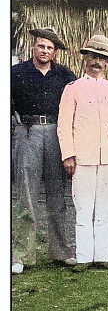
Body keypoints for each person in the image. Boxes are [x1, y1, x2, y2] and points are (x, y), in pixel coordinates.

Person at [57, 34, 108, 272]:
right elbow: (63, 125)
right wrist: (68, 155)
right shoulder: (73, 88)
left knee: (106, 208)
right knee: (84, 208)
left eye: (101, 58)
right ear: (85, 59)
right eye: (92, 57)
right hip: (83, 157)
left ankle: (102, 256)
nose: (96, 62)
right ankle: (84, 256)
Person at [11, 27, 77, 274]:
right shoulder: (16, 73)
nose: (45, 51)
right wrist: (14, 129)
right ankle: (22, 255)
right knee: (25, 196)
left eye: (50, 48)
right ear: (33, 47)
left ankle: (60, 252)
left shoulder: (64, 75)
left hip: (56, 133)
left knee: (57, 196)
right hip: (27, 132)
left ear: (55, 51)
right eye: (41, 46)